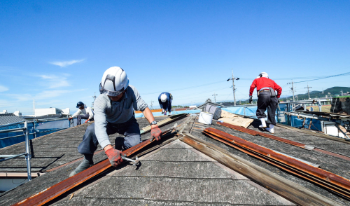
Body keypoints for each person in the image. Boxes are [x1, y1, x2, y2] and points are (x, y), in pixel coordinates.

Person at [69, 66, 162, 177]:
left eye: (114, 94)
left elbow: (143, 107)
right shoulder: (101, 100)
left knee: (136, 146)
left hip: (128, 122)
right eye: (108, 94)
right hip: (110, 124)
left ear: (124, 89)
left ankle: (120, 142)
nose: (110, 96)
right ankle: (87, 160)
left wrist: (154, 125)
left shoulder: (131, 91)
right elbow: (100, 126)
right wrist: (109, 150)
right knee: (91, 130)